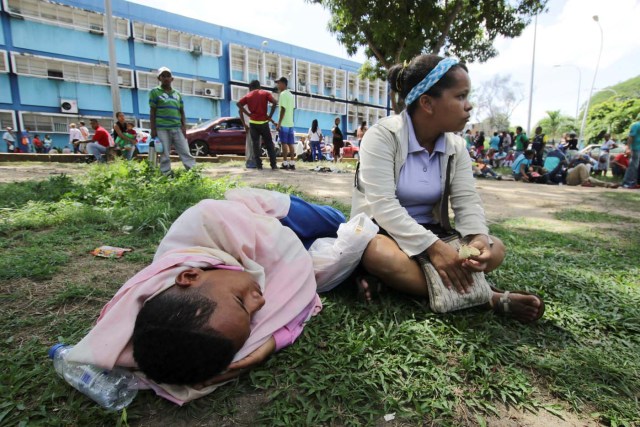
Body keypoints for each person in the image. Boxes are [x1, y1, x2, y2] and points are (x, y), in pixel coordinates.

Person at [65, 188, 346, 404]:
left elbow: (291, 264)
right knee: (342, 248)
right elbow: (292, 302)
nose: (260, 303)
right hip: (285, 252)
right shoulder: (212, 313)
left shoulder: (209, 223)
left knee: (337, 221)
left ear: (190, 276)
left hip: (273, 216)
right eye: (251, 317)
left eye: (240, 301)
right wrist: (267, 347)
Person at [351, 53, 544, 323]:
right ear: (427, 103)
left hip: (434, 232)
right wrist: (435, 249)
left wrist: (477, 238)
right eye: (461, 96)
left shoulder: (456, 146)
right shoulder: (383, 135)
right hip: (384, 232)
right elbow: (383, 207)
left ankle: (395, 284)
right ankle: (489, 297)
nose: (469, 106)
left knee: (495, 248)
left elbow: (467, 201)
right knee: (378, 254)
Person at [149, 67, 197, 175]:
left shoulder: (177, 94)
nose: (166, 78)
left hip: (177, 127)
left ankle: (194, 172)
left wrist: (184, 126)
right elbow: (152, 112)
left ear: (172, 79)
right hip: (162, 128)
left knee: (185, 151)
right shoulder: (155, 92)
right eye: (163, 76)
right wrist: (153, 129)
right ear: (159, 78)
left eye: (168, 76)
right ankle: (166, 174)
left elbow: (181, 111)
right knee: (164, 153)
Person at [237, 80, 279, 170]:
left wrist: (249, 114)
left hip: (253, 123)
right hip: (263, 123)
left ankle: (259, 165)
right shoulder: (265, 93)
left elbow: (238, 104)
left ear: (251, 88)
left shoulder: (248, 95)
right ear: (259, 86)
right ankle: (273, 165)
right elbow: (275, 102)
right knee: (269, 144)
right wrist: (270, 116)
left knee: (255, 145)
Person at [275, 77, 296, 170]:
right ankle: (292, 162)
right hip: (290, 123)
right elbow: (292, 109)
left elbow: (283, 109)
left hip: (284, 123)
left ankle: (285, 162)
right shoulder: (291, 95)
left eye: (278, 83)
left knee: (284, 143)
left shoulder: (283, 94)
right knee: (291, 143)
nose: (277, 85)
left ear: (283, 84)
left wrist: (279, 123)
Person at [622, 115, 640, 189]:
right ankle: (628, 182)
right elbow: (631, 137)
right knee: (633, 166)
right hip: (635, 148)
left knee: (636, 166)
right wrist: (628, 148)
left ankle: (634, 182)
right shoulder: (636, 125)